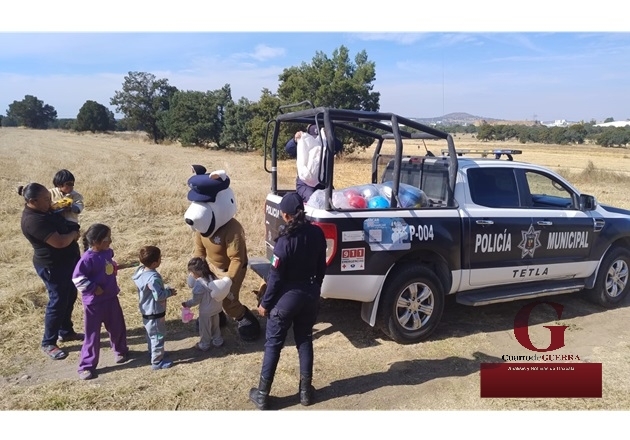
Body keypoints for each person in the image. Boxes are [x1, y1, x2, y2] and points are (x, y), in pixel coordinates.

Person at [249, 192, 327, 410]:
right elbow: (322, 267)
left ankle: (263, 394)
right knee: (304, 341)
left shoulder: (284, 242)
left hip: (286, 300)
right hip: (310, 295)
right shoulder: (317, 233)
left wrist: (265, 303)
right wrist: (315, 288)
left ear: (285, 215)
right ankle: (305, 393)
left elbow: (275, 278)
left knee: (273, 344)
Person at [19, 182, 83, 361]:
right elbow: (60, 242)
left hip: (67, 261)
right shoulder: (33, 220)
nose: (50, 201)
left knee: (70, 295)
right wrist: (73, 235)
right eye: (46, 199)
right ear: (32, 201)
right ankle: (48, 342)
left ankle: (66, 331)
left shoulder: (42, 210)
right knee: (58, 300)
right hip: (52, 266)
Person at [72, 223, 128, 380]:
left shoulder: (107, 252)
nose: (110, 241)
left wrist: (114, 267)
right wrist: (93, 287)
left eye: (110, 237)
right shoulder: (87, 259)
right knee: (92, 334)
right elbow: (78, 279)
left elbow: (108, 265)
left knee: (117, 326)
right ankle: (87, 365)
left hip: (110, 298)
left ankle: (120, 350)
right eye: (106, 238)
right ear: (95, 242)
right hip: (94, 304)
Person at [132, 246, 177, 370]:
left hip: (146, 311)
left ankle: (152, 352)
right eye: (160, 258)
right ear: (154, 263)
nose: (161, 259)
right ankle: (157, 362)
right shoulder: (153, 278)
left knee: (150, 335)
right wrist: (169, 292)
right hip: (155, 312)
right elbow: (159, 296)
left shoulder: (141, 272)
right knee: (158, 337)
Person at [182, 257, 233, 351]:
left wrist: (187, 304)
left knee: (204, 329)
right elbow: (222, 287)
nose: (191, 275)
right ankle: (218, 341)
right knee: (215, 326)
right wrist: (230, 296)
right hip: (217, 308)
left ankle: (204, 344)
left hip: (205, 311)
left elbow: (196, 300)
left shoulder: (199, 284)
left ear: (198, 271)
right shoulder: (212, 277)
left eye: (192, 272)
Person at [284, 123, 343, 203]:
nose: (316, 144)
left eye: (318, 140)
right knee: (314, 201)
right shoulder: (304, 145)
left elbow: (338, 145)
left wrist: (329, 136)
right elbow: (289, 149)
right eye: (313, 139)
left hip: (324, 184)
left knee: (336, 201)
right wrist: (295, 140)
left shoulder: (328, 146)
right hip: (305, 184)